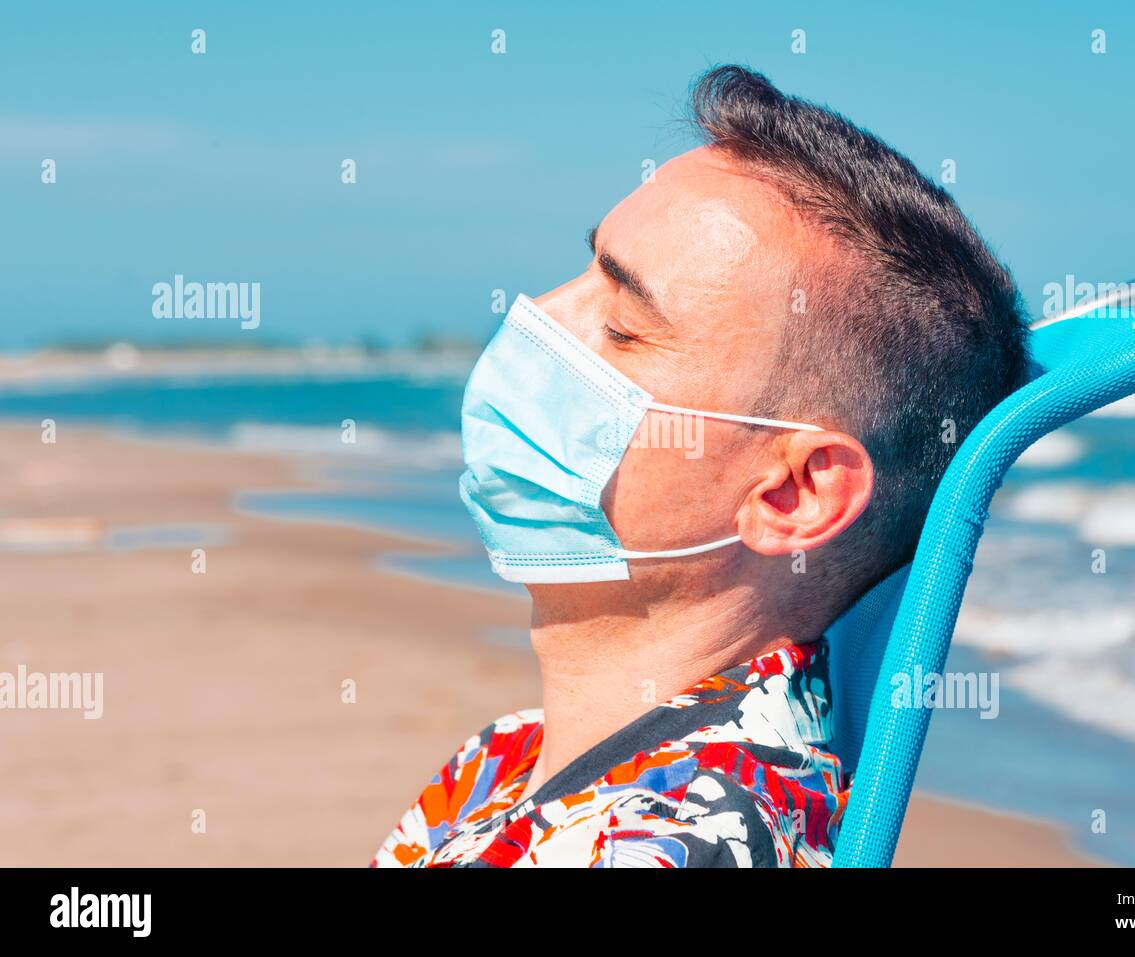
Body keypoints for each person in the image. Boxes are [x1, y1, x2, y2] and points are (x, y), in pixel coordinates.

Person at [372, 64, 1028, 867]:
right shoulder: (505, 756)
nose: (539, 317)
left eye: (620, 323)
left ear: (793, 491)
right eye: (585, 271)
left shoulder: (680, 839)